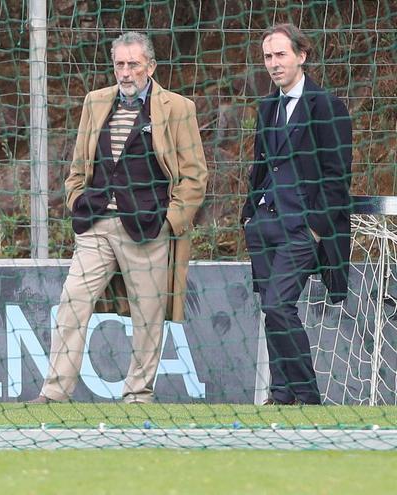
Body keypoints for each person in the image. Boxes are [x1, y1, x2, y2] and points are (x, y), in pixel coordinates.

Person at [28, 32, 208, 405]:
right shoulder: (95, 102)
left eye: (133, 65)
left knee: (148, 314)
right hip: (96, 224)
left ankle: (138, 394)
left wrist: (170, 221)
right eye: (120, 65)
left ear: (151, 67)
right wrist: (78, 198)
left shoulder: (177, 108)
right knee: (72, 300)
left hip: (148, 228)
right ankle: (54, 392)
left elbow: (194, 176)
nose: (125, 73)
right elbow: (78, 166)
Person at [240, 24, 352, 406]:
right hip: (266, 223)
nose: (274, 64)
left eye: (281, 55)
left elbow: (338, 176)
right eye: (268, 57)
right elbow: (262, 165)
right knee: (272, 309)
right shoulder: (267, 106)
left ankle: (306, 393)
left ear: (301, 56)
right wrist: (250, 216)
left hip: (302, 227)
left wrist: (317, 229)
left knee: (277, 304)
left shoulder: (327, 106)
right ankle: (283, 393)